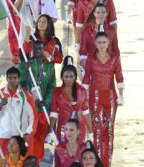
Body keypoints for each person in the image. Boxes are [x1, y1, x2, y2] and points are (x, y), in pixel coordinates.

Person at [81, 33, 124, 167]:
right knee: (97, 131)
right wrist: (83, 98)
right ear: (95, 43)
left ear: (108, 42)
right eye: (99, 42)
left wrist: (121, 94)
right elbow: (86, 79)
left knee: (109, 131)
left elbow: (119, 76)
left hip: (111, 98)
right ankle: (97, 163)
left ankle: (107, 163)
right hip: (95, 98)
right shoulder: (90, 59)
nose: (101, 45)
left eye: (104, 42)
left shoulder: (115, 58)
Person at [18, 39, 57, 161]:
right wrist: (24, 70)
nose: (38, 50)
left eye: (41, 48)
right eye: (36, 48)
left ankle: (37, 161)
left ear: (44, 49)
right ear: (32, 50)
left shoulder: (49, 67)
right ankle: (28, 161)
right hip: (29, 109)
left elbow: (52, 87)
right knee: (28, 137)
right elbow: (19, 84)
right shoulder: (25, 65)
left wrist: (47, 100)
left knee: (40, 137)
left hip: (43, 109)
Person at [0, 67, 35, 161]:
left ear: (18, 79)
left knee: (20, 162)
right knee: (4, 162)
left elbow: (33, 117)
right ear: (6, 78)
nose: (12, 80)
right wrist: (0, 104)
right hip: (4, 135)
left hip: (19, 135)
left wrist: (28, 132)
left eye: (15, 78)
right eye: (10, 78)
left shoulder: (25, 95)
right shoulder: (0, 93)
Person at [50, 56, 94, 144]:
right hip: (63, 127)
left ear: (75, 77)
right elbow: (54, 113)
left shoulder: (82, 91)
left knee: (78, 152)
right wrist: (51, 131)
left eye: (71, 76)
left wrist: (91, 132)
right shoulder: (56, 92)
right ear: (62, 77)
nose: (69, 79)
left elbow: (86, 112)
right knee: (64, 152)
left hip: (79, 127)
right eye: (66, 77)